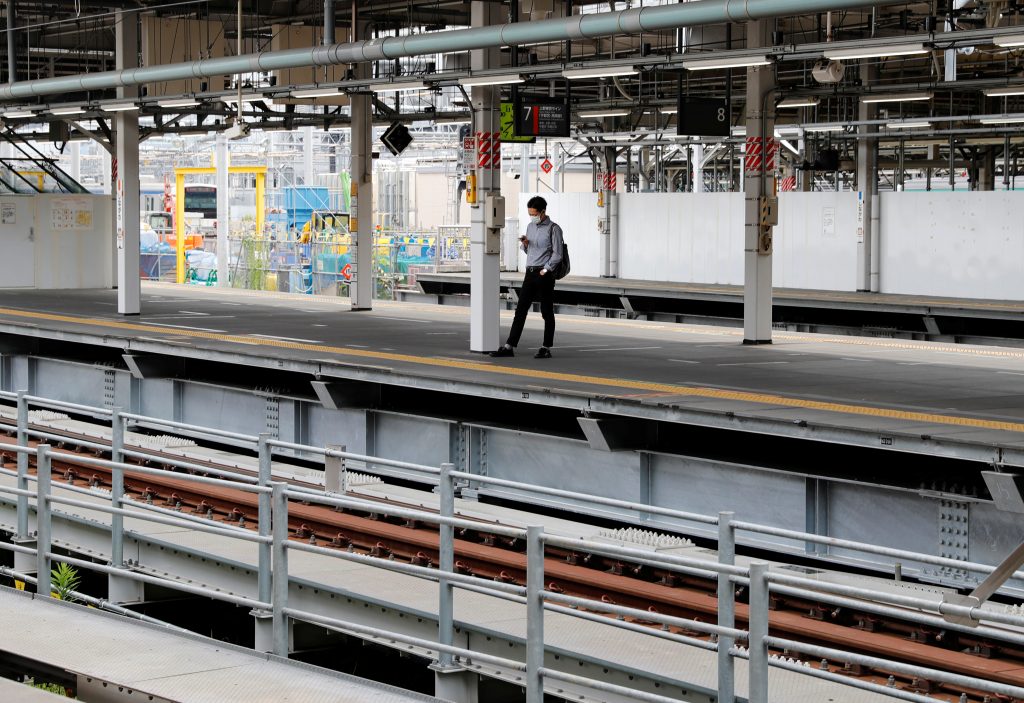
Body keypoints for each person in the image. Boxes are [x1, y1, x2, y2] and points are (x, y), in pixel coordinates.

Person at [490, 196, 563, 359]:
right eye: (530, 213)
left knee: (546, 311)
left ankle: (546, 347)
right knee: (520, 310)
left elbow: (558, 255)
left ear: (543, 212)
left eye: (534, 213)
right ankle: (509, 346)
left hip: (544, 274)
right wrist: (525, 243)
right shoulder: (530, 226)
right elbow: (528, 251)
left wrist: (546, 270)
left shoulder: (554, 229)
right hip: (530, 273)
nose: (532, 216)